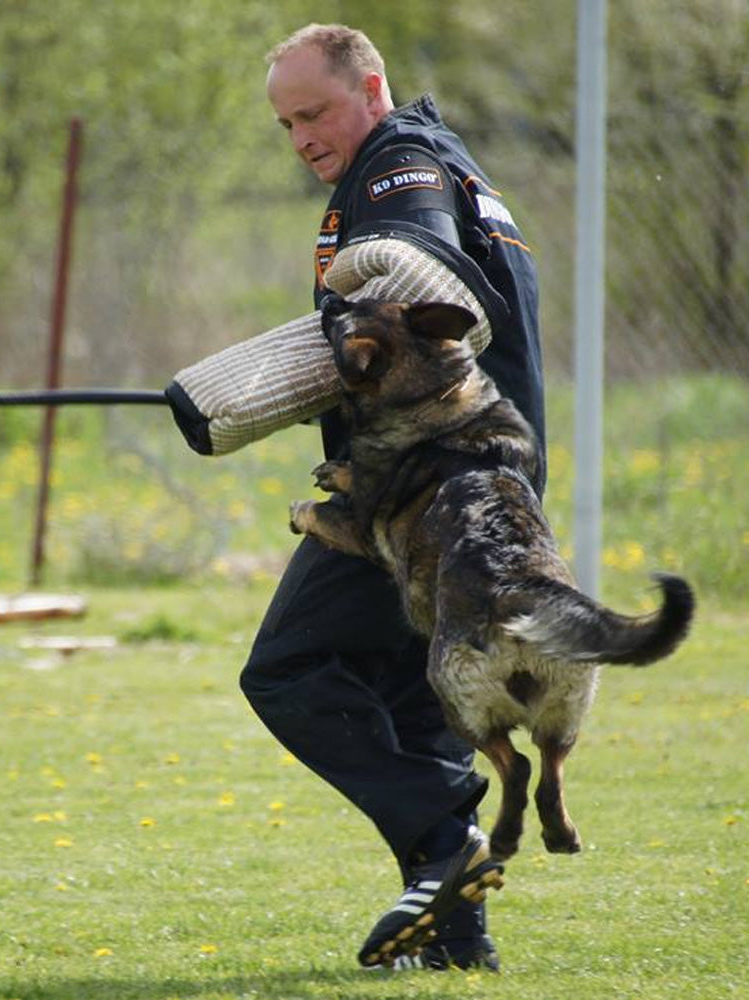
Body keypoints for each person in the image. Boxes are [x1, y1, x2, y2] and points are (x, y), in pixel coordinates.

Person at [166, 23, 545, 972]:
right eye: (286, 122)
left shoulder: (398, 166)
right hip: (486, 479)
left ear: (369, 88)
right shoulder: (444, 165)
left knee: (289, 668)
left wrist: (309, 362)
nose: (299, 137)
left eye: (313, 111)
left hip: (429, 488)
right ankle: (458, 947)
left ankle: (449, 844)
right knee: (414, 704)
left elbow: (415, 274)